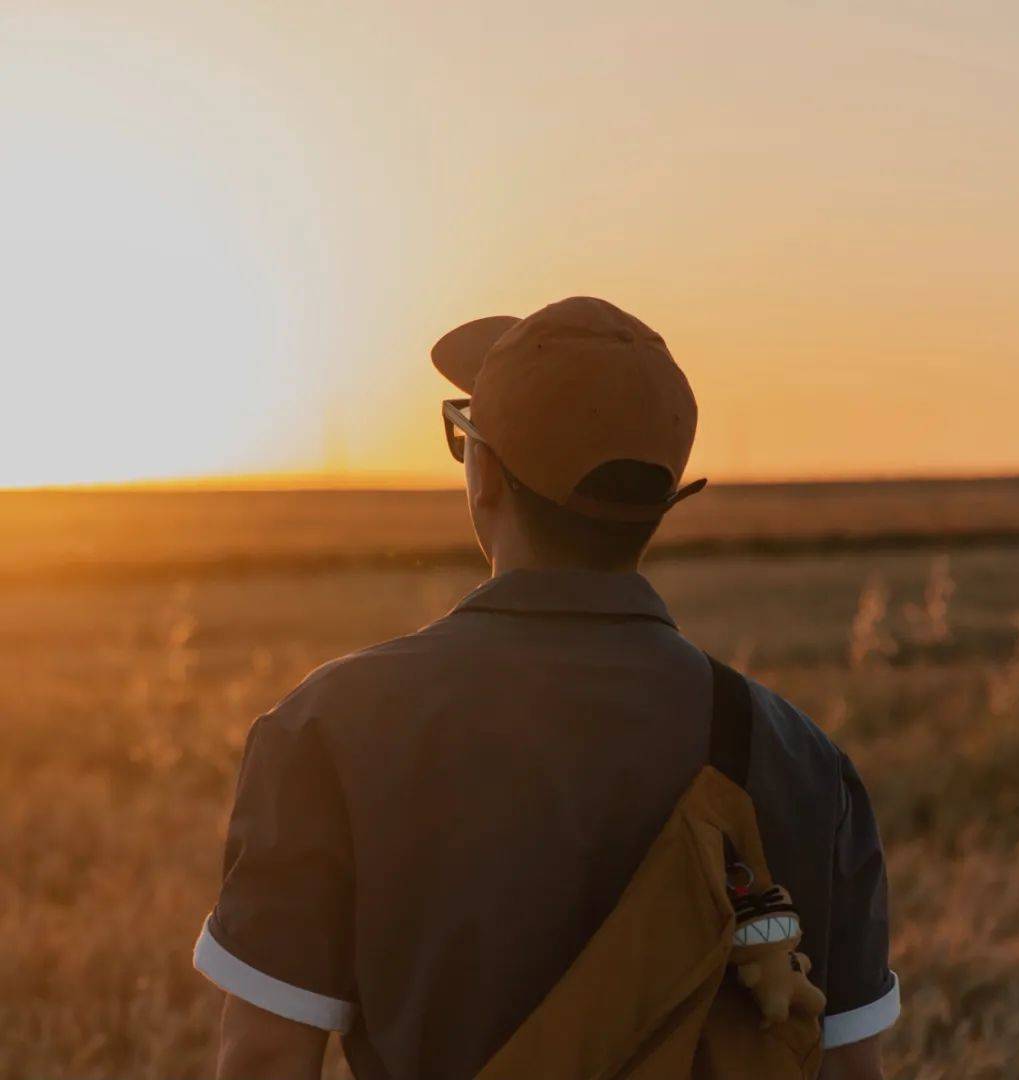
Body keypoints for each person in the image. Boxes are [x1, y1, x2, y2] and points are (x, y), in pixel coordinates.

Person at [194, 296, 900, 1079]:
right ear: (659, 508)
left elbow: (265, 1056)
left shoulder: (330, 727)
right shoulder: (801, 758)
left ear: (484, 474)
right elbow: (849, 1068)